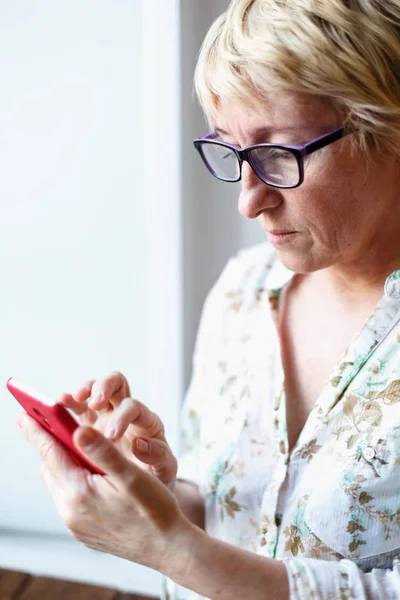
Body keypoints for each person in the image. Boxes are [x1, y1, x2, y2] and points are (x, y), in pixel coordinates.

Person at [18, 0, 400, 598]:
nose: (248, 201)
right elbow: (228, 514)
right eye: (233, 153)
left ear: (388, 129)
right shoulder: (243, 292)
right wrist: (155, 498)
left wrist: (172, 549)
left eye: (280, 154)